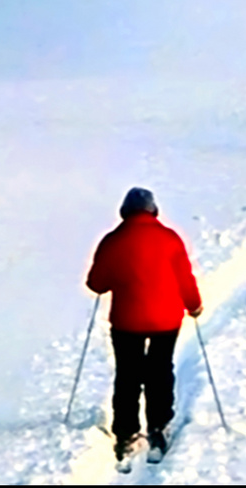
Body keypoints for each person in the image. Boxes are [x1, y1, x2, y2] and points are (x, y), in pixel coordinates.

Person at [86, 187, 203, 466]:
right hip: (166, 319)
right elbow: (184, 277)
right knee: (160, 370)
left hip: (127, 320)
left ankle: (126, 433)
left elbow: (96, 283)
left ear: (124, 211)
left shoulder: (113, 240)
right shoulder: (170, 238)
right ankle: (159, 426)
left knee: (128, 374)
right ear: (154, 210)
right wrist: (194, 305)